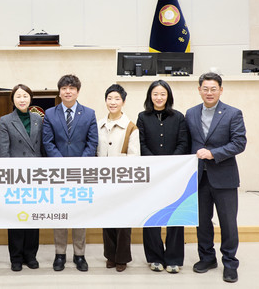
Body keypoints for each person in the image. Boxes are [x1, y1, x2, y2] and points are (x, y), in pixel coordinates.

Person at [185, 72, 246, 284]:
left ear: (221, 90)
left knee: (228, 223)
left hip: (224, 177)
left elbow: (239, 143)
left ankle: (230, 263)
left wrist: (213, 153)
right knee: (202, 222)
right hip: (199, 178)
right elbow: (188, 143)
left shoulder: (233, 113)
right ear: (199, 90)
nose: (209, 93)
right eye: (205, 89)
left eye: (213, 89)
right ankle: (207, 258)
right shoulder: (191, 113)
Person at [42, 74, 98, 272]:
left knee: (79, 213)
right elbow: (47, 142)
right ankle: (60, 254)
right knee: (59, 213)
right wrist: (62, 164)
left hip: (81, 172)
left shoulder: (89, 114)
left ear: (77, 91)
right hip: (57, 173)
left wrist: (79, 165)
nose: (68, 92)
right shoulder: (50, 114)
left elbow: (92, 142)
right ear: (59, 92)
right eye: (64, 88)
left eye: (71, 88)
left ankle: (79, 255)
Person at [136, 79, 190, 274]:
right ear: (150, 96)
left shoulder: (179, 117)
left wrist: (170, 165)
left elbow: (183, 143)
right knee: (152, 216)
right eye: (155, 94)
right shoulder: (142, 117)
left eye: (162, 94)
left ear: (168, 96)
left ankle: (174, 258)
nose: (159, 98)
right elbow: (140, 143)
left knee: (175, 216)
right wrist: (156, 164)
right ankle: (155, 258)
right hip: (151, 175)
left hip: (175, 175)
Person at [0, 84, 44, 272]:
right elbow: (4, 152)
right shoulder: (5, 121)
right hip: (16, 175)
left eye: (25, 96)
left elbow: (42, 147)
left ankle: (31, 255)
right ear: (13, 100)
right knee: (16, 217)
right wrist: (10, 175)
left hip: (36, 174)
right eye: (18, 96)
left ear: (30, 98)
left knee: (34, 216)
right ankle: (16, 257)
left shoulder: (38, 119)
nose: (22, 99)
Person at [96, 84, 140, 272]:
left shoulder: (131, 127)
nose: (112, 102)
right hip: (102, 180)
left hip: (123, 180)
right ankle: (110, 255)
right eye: (109, 98)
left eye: (117, 99)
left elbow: (134, 156)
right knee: (106, 218)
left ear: (123, 102)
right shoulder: (99, 124)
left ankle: (122, 257)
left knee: (123, 220)